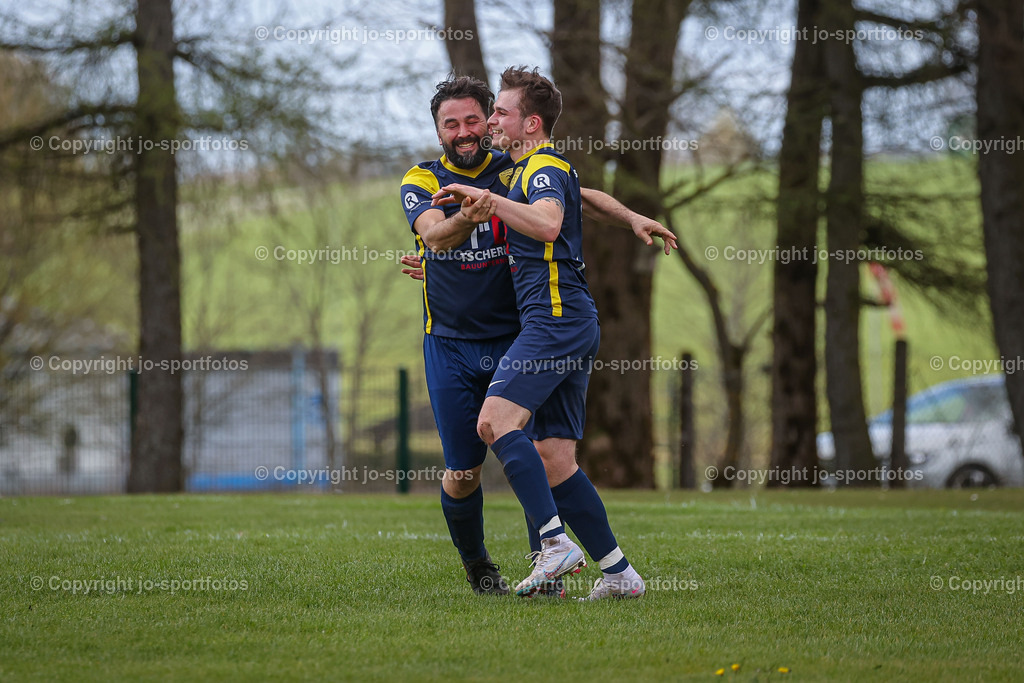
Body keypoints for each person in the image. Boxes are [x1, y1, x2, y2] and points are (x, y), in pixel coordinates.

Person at [400, 75, 675, 598]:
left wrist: (630, 217)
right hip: (459, 340)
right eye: (451, 123)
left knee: (501, 427)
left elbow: (562, 206)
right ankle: (616, 574)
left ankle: (551, 550)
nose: (470, 129)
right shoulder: (427, 177)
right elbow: (435, 234)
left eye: (482, 117)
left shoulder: (518, 167)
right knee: (528, 461)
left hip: (537, 327)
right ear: (437, 131)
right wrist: (460, 226)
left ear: (516, 121)